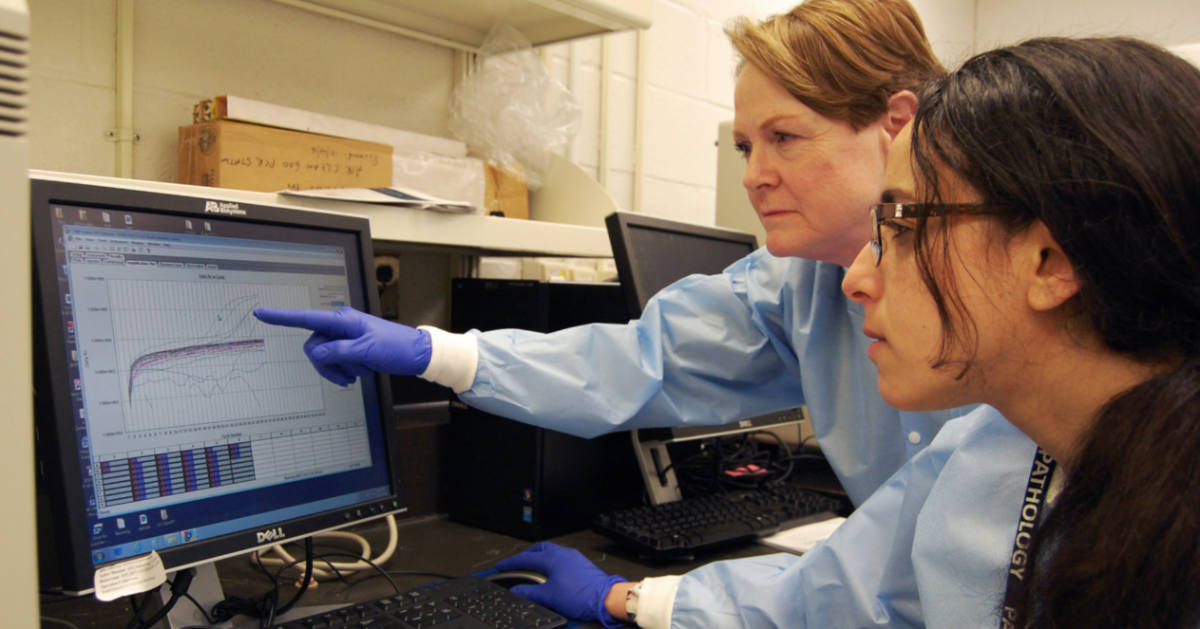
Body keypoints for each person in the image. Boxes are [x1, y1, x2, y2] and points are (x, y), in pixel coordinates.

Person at [254, 1, 1037, 626]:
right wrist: (434, 351)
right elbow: (638, 361)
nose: (758, 176)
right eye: (744, 148)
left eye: (785, 137)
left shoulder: (1013, 315)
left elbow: (885, 580)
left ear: (897, 124)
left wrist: (633, 600)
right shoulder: (800, 281)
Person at [502, 36, 1200, 628]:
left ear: (1049, 260)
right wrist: (628, 598)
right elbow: (842, 593)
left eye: (898, 224)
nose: (858, 279)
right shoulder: (1004, 454)